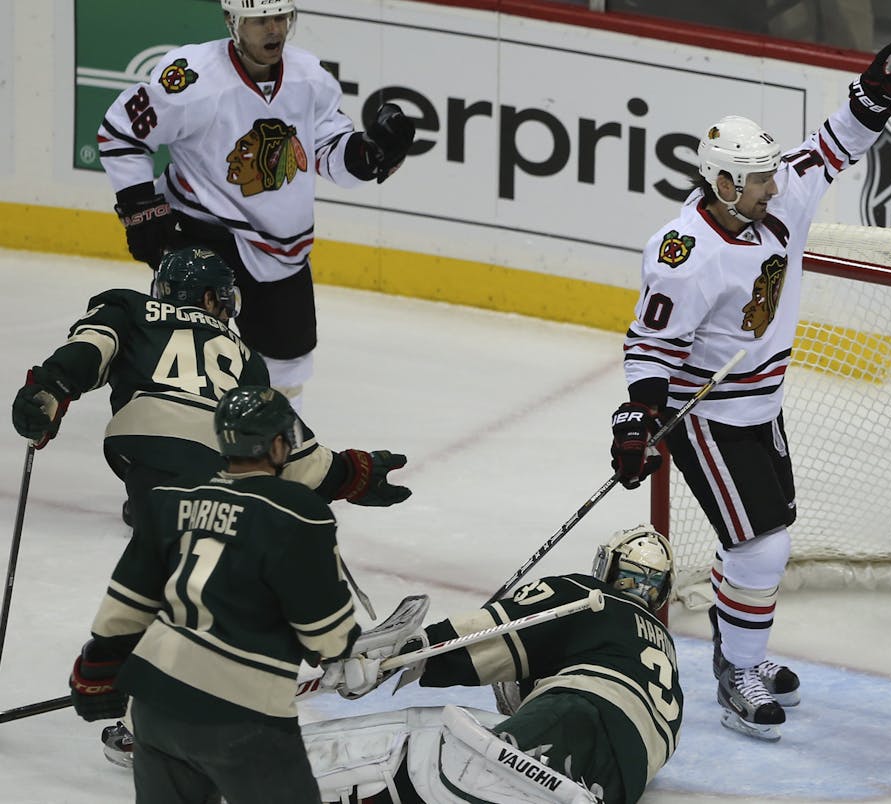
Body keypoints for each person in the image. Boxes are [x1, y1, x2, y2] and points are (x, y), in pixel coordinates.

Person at [607, 39, 891, 740]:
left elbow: (832, 146)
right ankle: (737, 673)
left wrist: (878, 91)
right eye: (756, 180)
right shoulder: (683, 252)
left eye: (769, 176)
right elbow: (651, 344)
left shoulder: (780, 201)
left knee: (755, 540)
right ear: (722, 183)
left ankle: (738, 649)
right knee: (761, 547)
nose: (772, 187)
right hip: (708, 416)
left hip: (762, 406)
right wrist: (637, 420)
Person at [11, 246, 411, 764]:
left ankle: (158, 692)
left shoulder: (128, 307)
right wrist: (350, 474)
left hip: (146, 448)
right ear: (209, 297)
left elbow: (88, 350)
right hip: (219, 462)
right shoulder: (245, 356)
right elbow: (286, 447)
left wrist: (50, 392)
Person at [96, 0, 415, 412]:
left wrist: (370, 153)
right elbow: (120, 133)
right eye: (260, 20)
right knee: (188, 360)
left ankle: (277, 455)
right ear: (233, 22)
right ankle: (180, 444)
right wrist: (142, 214)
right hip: (203, 237)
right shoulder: (192, 78)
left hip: (282, 247)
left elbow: (328, 153)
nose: (274, 29)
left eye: (281, 17)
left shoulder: (309, 77)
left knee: (287, 367)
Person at [67, 385, 365, 804]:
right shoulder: (298, 510)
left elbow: (128, 602)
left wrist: (101, 659)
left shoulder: (172, 496)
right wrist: (343, 652)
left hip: (154, 703)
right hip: (242, 713)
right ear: (277, 445)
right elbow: (323, 627)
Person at [310, 525, 681, 804]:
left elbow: (492, 633)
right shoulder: (664, 647)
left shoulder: (589, 597)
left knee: (426, 775)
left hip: (574, 714)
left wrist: (396, 656)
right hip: (623, 779)